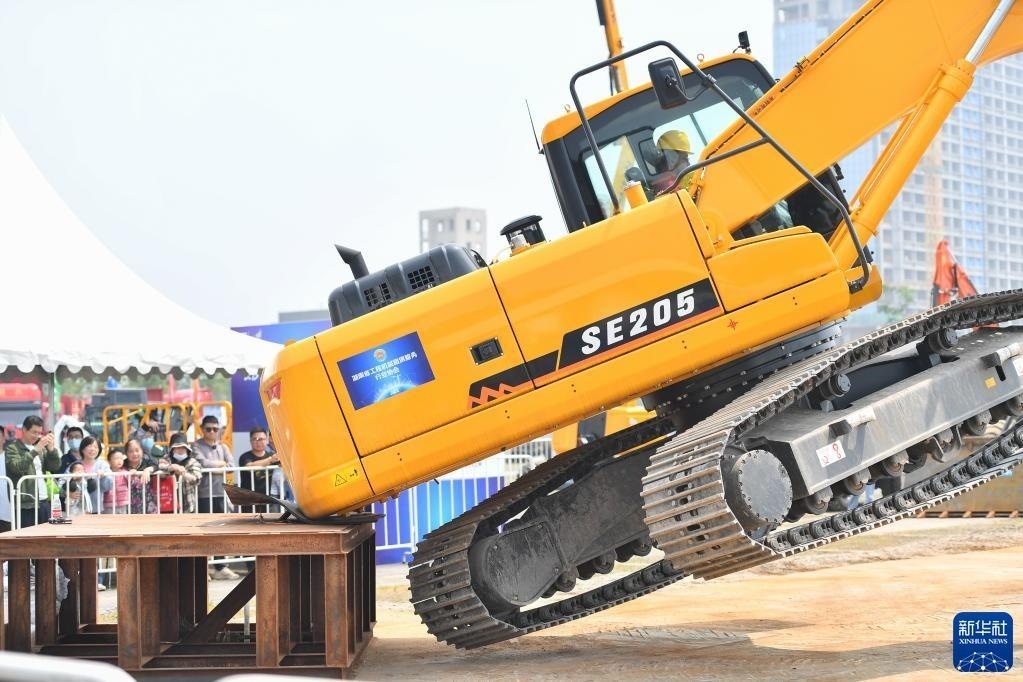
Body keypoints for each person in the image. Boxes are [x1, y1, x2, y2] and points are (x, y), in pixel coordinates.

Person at [4, 415, 61, 527]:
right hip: (25, 504)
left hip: (44, 501)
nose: (37, 436)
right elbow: (17, 468)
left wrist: (51, 450)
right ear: (24, 430)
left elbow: (54, 467)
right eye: (34, 432)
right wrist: (35, 451)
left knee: (46, 536)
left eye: (39, 433)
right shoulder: (12, 448)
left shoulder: (40, 449)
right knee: (27, 537)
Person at [192, 415, 235, 514]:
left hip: (222, 493)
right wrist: (222, 464)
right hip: (204, 494)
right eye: (208, 429)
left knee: (223, 522)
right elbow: (203, 463)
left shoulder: (223, 446)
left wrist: (212, 469)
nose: (212, 432)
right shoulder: (196, 446)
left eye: (215, 429)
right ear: (202, 429)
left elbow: (232, 466)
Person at [237, 426, 279, 512]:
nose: (258, 442)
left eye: (261, 439)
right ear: (250, 441)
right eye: (255, 439)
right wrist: (270, 460)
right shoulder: (245, 457)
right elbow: (249, 466)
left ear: (267, 440)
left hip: (269, 500)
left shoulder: (272, 455)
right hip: (249, 501)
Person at [158, 432, 202, 513]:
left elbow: (197, 479)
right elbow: (159, 467)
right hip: (168, 504)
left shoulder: (193, 461)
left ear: (187, 449)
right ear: (172, 449)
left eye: (183, 447)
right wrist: (172, 467)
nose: (180, 450)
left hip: (188, 504)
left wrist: (183, 473)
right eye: (177, 447)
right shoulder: (166, 459)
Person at [650, 129, 693, 194]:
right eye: (684, 157)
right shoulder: (663, 180)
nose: (687, 163)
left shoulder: (691, 175)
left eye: (686, 157)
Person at [77, 436, 112, 514]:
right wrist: (70, 492)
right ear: (82, 448)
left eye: (96, 447)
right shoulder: (75, 465)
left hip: (96, 508)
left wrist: (103, 477)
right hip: (77, 509)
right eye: (89, 446)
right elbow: (62, 483)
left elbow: (109, 486)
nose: (92, 449)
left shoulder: (103, 465)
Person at [124, 438, 158, 514]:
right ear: (126, 453)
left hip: (147, 501)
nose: (134, 454)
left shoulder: (147, 462)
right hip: (129, 502)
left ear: (142, 451)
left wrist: (148, 470)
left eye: (137, 450)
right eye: (131, 451)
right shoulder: (123, 464)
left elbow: (156, 466)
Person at [104, 449, 130, 514]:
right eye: (116, 458)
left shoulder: (124, 472)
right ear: (109, 461)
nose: (119, 460)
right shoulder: (106, 472)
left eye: (121, 458)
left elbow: (130, 478)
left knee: (122, 519)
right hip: (109, 503)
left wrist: (132, 472)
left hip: (122, 503)